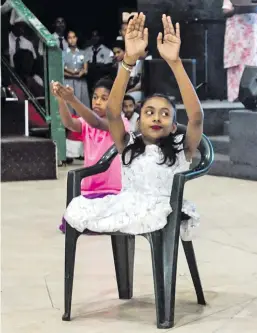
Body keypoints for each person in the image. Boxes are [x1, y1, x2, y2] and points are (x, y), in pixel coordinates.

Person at [64, 13, 203, 241]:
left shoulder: (181, 147)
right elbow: (112, 112)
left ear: (173, 127)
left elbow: (196, 118)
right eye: (149, 112)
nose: (156, 118)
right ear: (138, 121)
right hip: (127, 204)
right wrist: (127, 61)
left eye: (165, 114)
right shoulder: (128, 145)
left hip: (162, 207)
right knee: (80, 209)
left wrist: (175, 64)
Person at [52, 78, 130, 233]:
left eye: (104, 98)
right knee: (71, 224)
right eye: (95, 97)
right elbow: (69, 124)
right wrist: (61, 101)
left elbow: (96, 123)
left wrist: (72, 100)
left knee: (105, 223)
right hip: (88, 189)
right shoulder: (87, 121)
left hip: (113, 190)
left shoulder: (121, 123)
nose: (97, 102)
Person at [222, 0, 257, 102]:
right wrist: (240, 6)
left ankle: (253, 94)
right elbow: (226, 10)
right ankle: (236, 96)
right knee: (236, 62)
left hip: (253, 24)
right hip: (237, 25)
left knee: (253, 61)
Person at [63, 30, 90, 110]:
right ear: (66, 40)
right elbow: (61, 70)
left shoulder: (83, 53)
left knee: (82, 107)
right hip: (68, 83)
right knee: (69, 107)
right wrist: (73, 74)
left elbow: (86, 70)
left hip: (81, 83)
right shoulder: (63, 54)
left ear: (77, 38)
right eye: (69, 38)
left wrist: (81, 73)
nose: (72, 40)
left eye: (74, 37)